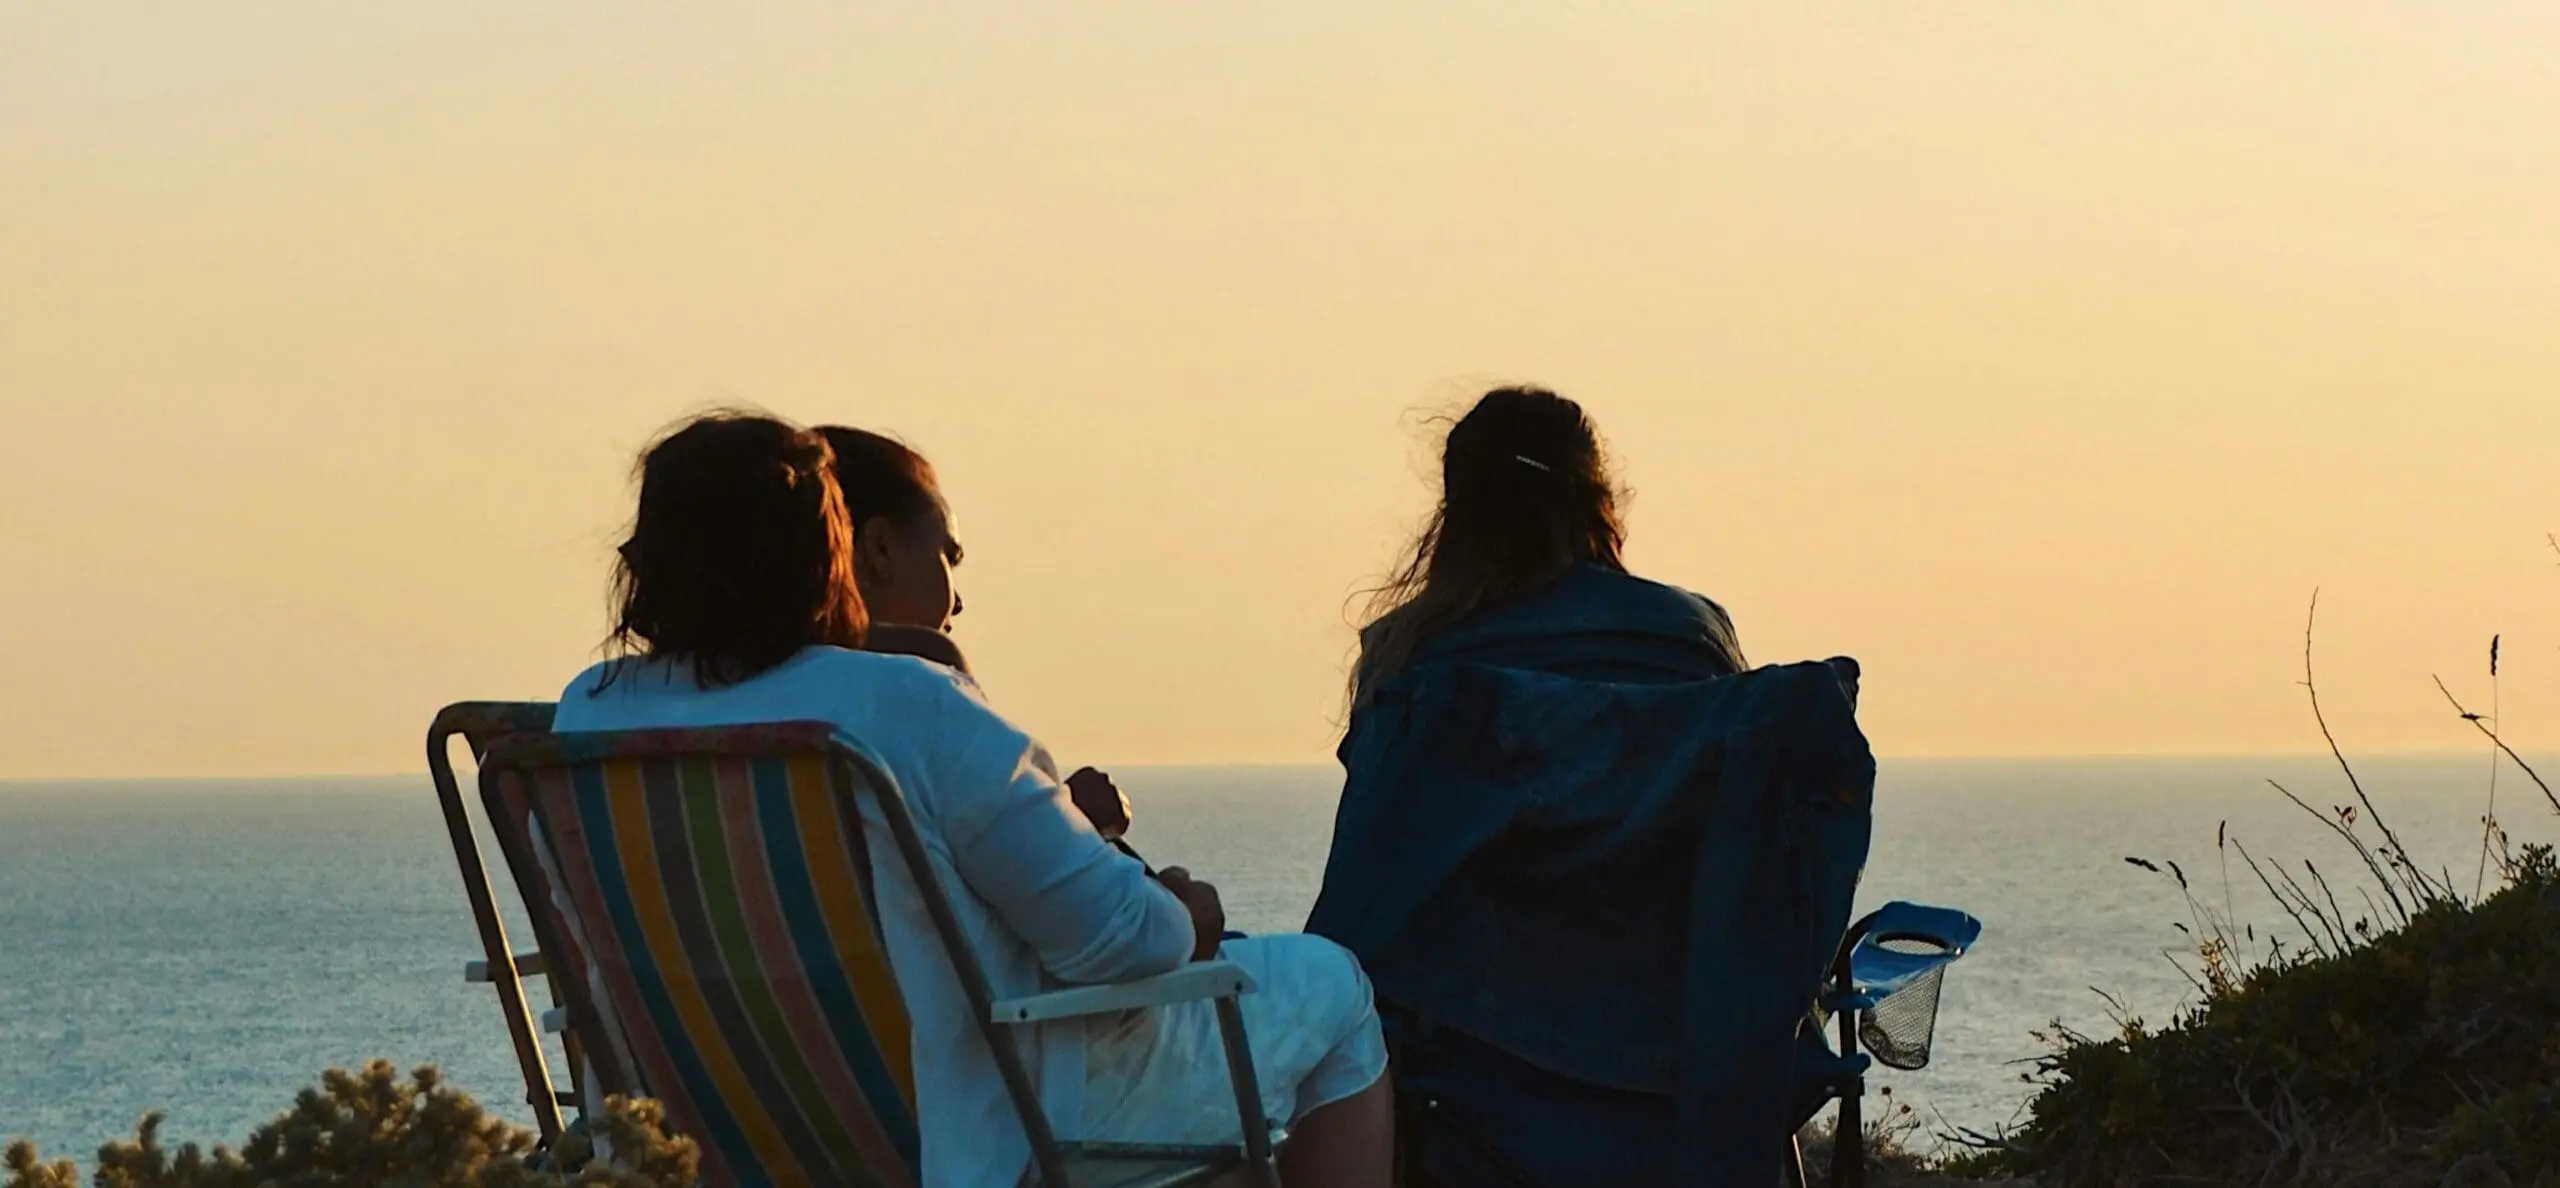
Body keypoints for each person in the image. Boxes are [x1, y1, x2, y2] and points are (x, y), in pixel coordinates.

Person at [554, 412, 1391, 1188]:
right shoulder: (900, 702)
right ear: (832, 551)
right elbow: (1126, 943)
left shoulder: (592, 710)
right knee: (1330, 985)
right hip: (958, 1134)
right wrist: (1185, 909)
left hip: (704, 1135)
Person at [1309, 388, 1866, 1186]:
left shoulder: (1416, 667)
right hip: (1685, 1076)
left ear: (1456, 511)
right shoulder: (1687, 641)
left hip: (1473, 1097)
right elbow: (1759, 864)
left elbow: (1373, 896)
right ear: (1598, 497)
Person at [815, 424, 1131, 840]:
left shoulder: (719, 714)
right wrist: (1074, 822)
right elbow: (1022, 871)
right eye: (947, 556)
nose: (958, 602)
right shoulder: (919, 687)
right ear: (880, 549)